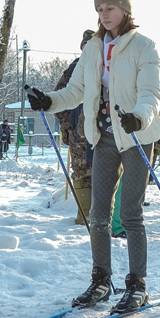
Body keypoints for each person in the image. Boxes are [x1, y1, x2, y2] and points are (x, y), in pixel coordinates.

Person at [26, 0, 160, 314]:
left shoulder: (143, 46)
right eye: (100, 8)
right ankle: (101, 280)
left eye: (111, 7)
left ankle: (137, 285)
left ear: (125, 9)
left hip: (134, 135)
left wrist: (139, 116)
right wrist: (49, 101)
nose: (104, 14)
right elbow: (75, 91)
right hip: (102, 137)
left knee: (131, 214)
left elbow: (152, 95)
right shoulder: (92, 48)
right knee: (98, 214)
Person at [54, 29, 96, 225]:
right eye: (86, 46)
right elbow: (58, 101)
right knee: (82, 173)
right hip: (79, 135)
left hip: (101, 131)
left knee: (102, 173)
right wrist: (68, 127)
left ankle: (100, 218)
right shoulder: (73, 71)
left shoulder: (105, 69)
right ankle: (84, 218)